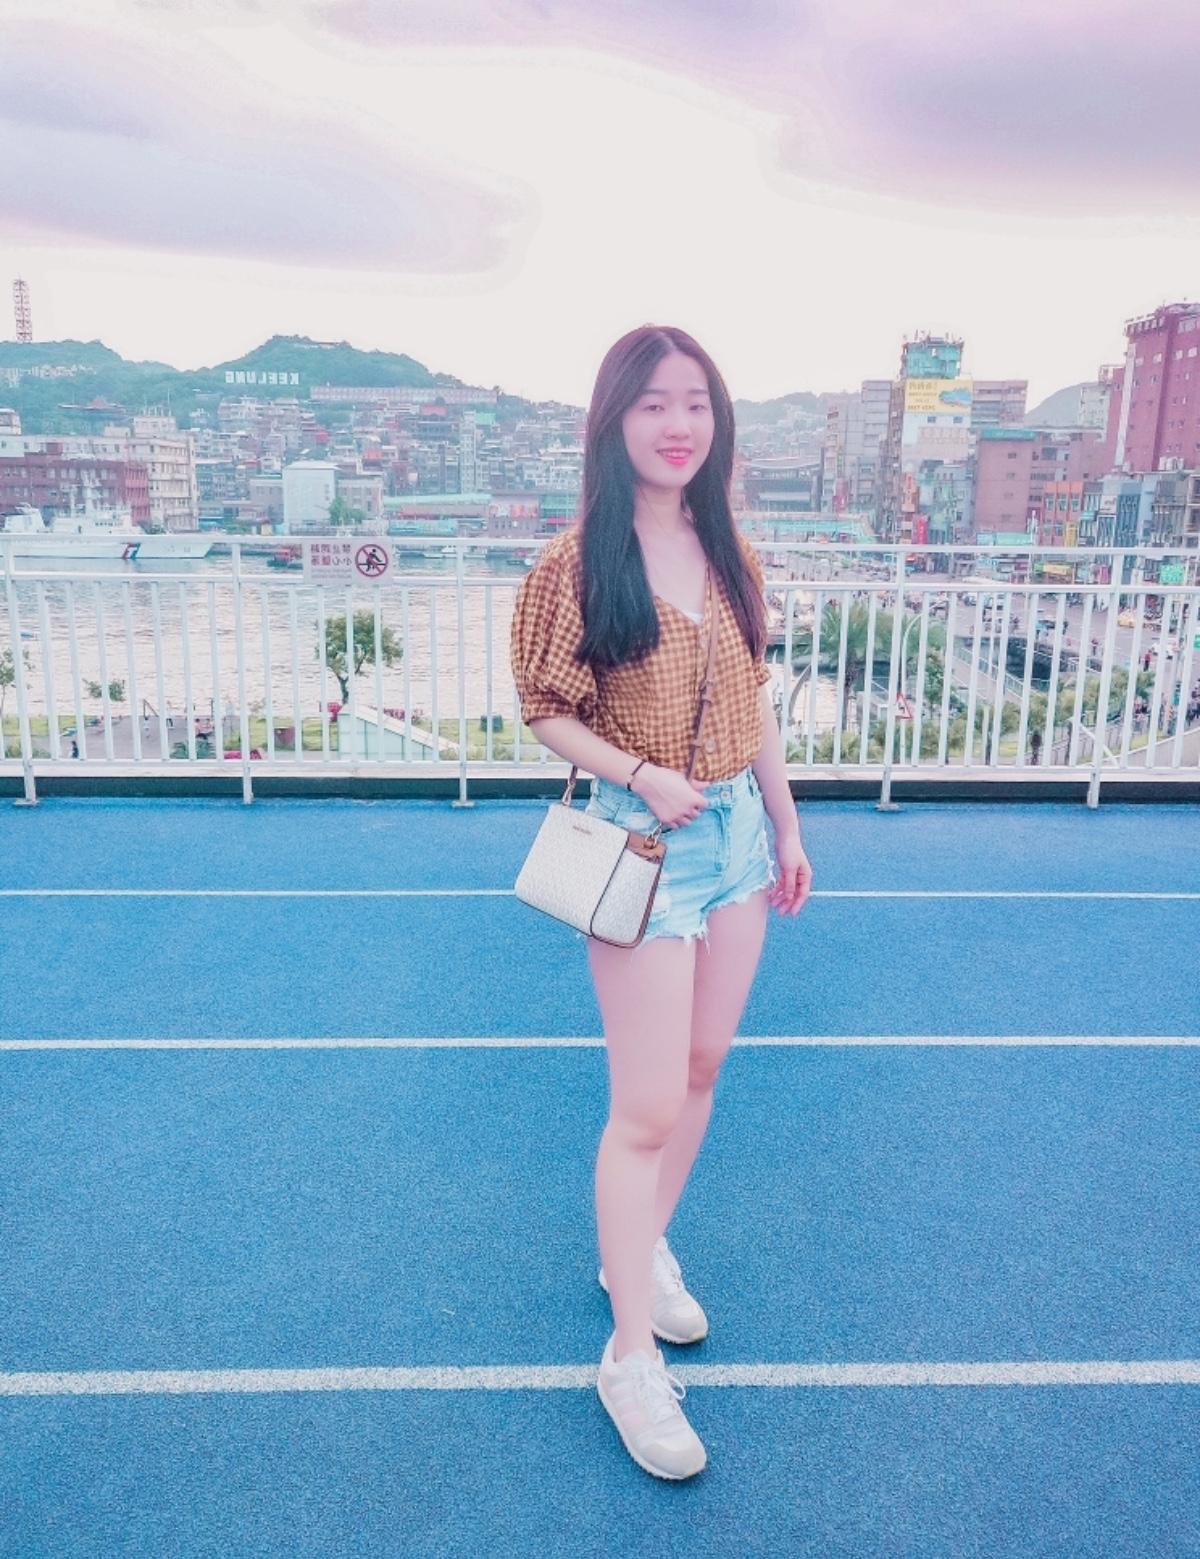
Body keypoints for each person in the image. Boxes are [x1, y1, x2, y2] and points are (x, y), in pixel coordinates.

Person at [509, 325, 812, 1480]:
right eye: (653, 404)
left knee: (702, 1065)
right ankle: (628, 1355)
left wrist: (786, 823)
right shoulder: (577, 563)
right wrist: (640, 770)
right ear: (614, 421)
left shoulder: (729, 546)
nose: (678, 423)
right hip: (643, 840)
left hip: (736, 836)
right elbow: (545, 706)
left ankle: (636, 1250)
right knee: (642, 1104)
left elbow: (754, 697)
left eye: (696, 402)